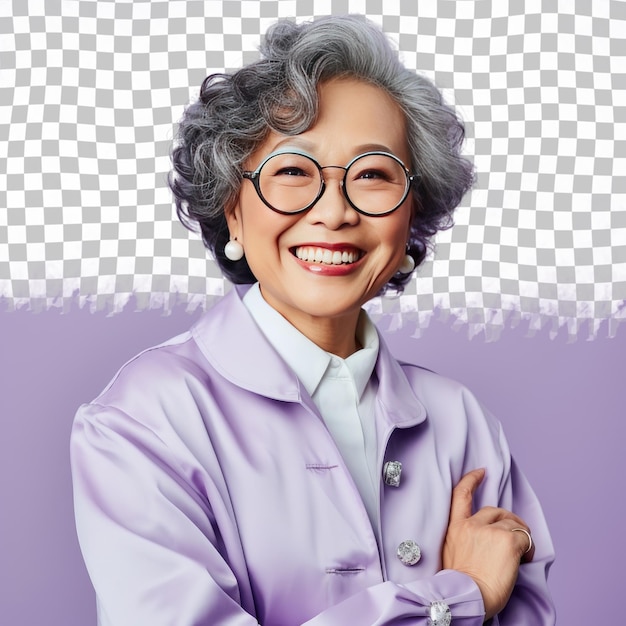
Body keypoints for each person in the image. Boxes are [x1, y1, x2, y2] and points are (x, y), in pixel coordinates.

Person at [70, 15, 555, 626]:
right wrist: (458, 598)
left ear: (413, 216)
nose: (334, 212)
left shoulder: (461, 424)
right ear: (234, 212)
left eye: (374, 175)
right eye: (294, 171)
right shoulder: (143, 419)